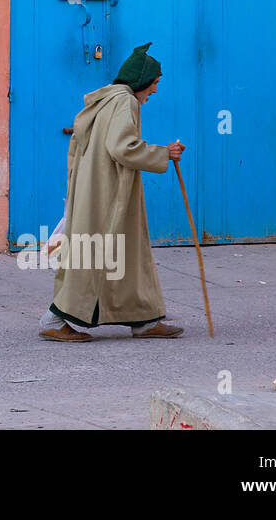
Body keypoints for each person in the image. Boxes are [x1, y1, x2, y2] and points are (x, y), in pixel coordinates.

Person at [39, 42, 186, 342]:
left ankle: (144, 318)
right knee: (95, 254)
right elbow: (122, 147)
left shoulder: (104, 100)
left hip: (95, 190)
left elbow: (80, 146)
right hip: (108, 194)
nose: (155, 91)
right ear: (141, 81)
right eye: (155, 83)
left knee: (121, 253)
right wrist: (163, 154)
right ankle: (54, 319)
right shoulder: (125, 102)